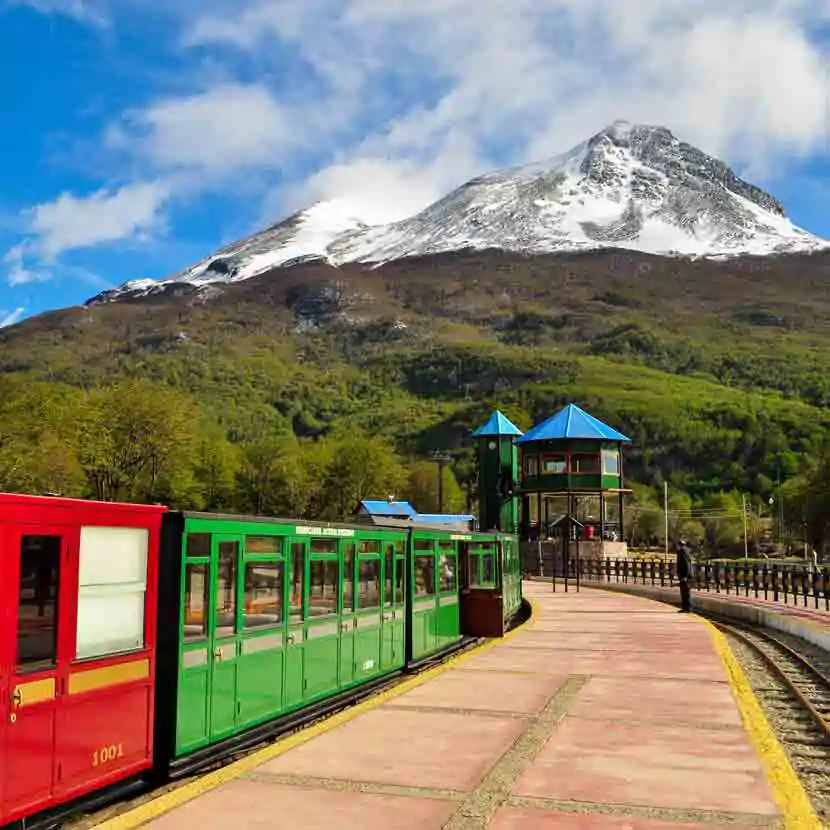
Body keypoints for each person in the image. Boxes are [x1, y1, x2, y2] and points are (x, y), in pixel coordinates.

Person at [675, 538, 692, 612]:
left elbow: (686, 564)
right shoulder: (684, 551)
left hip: (684, 575)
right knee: (684, 591)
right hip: (683, 575)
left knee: (685, 591)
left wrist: (685, 575)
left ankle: (687, 607)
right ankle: (685, 607)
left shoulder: (683, 552)